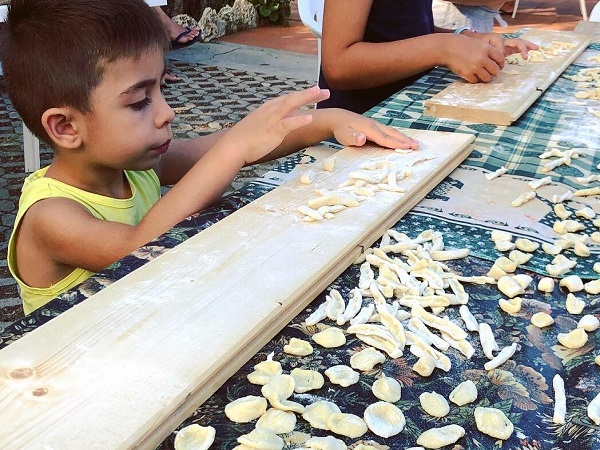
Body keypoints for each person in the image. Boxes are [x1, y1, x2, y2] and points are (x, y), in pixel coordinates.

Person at [0, 0, 419, 315]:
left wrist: (327, 119)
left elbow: (230, 143)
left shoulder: (137, 168)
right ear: (66, 127)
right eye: (139, 102)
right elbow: (136, 247)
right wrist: (235, 148)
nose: (167, 112)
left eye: (163, 88)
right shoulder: (50, 216)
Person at [317, 0, 538, 114]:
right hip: (359, 125)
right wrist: (442, 47)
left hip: (413, 103)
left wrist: (465, 38)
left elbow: (402, 28)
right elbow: (338, 65)